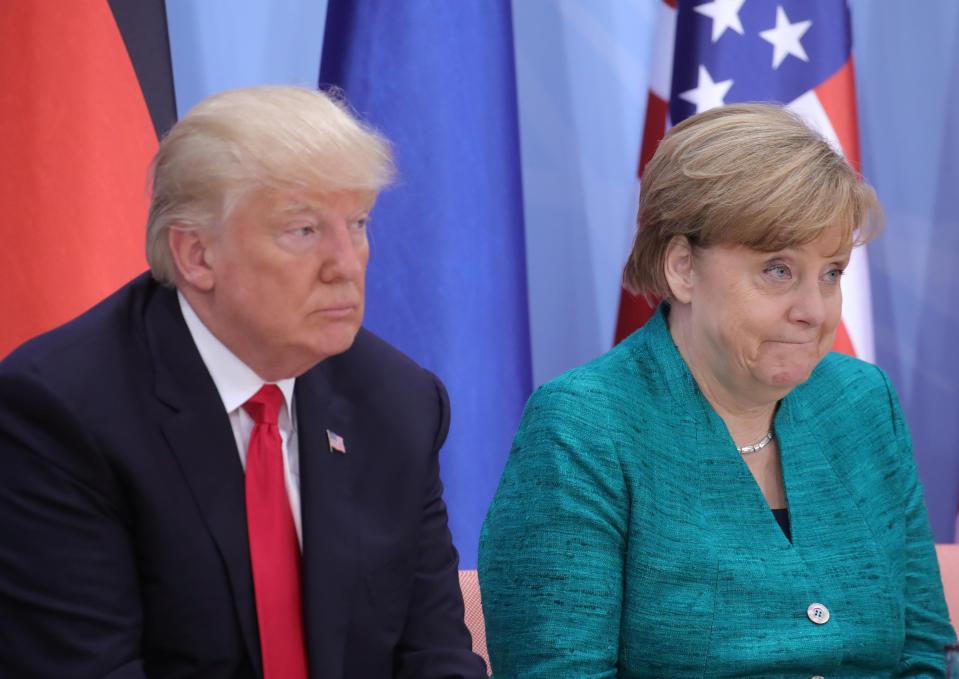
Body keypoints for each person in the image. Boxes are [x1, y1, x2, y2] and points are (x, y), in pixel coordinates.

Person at [0, 85, 487, 679]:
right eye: (303, 231)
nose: (346, 263)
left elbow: (434, 656)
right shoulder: (60, 412)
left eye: (357, 223)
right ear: (197, 255)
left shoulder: (398, 402)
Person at [478, 103, 956, 677]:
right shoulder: (582, 427)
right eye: (777, 269)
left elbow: (924, 652)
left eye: (831, 272)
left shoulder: (861, 401)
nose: (813, 310)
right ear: (683, 267)